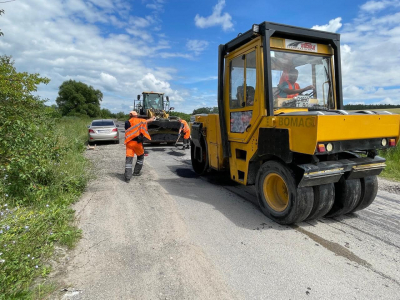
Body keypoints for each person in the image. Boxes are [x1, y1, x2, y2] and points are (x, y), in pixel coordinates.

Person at [124, 111, 155, 182]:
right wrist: (152, 118)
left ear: (130, 115)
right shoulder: (140, 121)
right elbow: (148, 121)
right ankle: (136, 172)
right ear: (136, 115)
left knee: (129, 160)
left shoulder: (127, 122)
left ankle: (127, 177)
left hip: (129, 143)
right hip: (137, 143)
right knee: (140, 156)